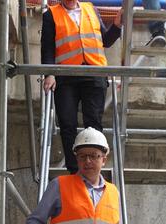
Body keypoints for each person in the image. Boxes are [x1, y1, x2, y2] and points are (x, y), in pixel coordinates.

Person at [41, 0, 123, 174]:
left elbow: (105, 41)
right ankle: (75, 171)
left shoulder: (90, 9)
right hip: (66, 76)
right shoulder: (51, 14)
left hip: (94, 73)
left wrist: (115, 26)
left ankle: (94, 168)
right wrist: (49, 73)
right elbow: (47, 48)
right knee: (67, 123)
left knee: (93, 123)